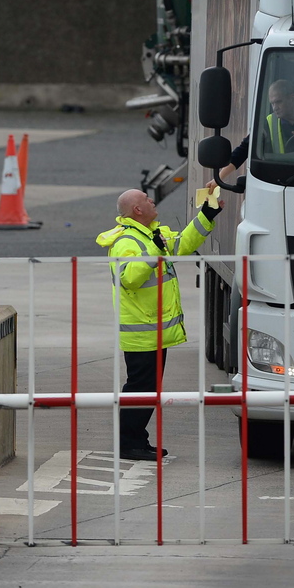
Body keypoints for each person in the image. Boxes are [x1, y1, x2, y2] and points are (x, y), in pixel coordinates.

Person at [95, 189, 224, 461]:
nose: (152, 200)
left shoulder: (149, 234)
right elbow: (129, 278)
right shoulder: (126, 241)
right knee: (140, 388)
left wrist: (207, 213)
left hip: (152, 331)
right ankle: (130, 443)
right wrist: (154, 249)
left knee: (146, 388)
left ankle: (135, 440)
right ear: (137, 210)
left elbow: (183, 244)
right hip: (141, 332)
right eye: (146, 198)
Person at [210, 78, 294, 185]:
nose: (275, 107)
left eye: (278, 102)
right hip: (286, 183)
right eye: (272, 103)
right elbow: (244, 149)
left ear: (292, 99)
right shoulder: (269, 123)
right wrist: (218, 179)